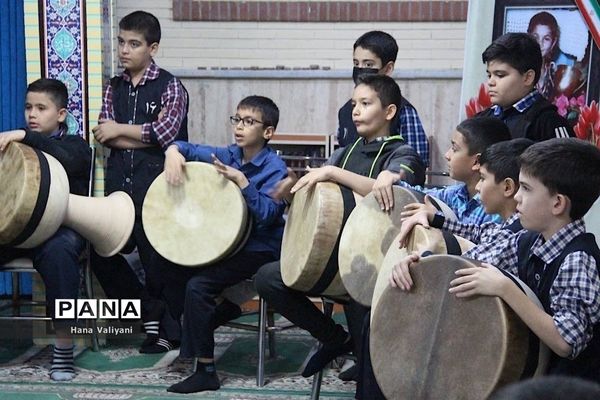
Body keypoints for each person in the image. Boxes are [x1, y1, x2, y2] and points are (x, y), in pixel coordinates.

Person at [255, 74, 425, 388]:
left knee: (363, 303)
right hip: (333, 259)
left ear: (389, 112)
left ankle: (368, 370)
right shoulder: (344, 152)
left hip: (375, 265)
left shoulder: (402, 152)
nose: (356, 111)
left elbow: (391, 185)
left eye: (365, 103)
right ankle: (335, 338)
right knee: (268, 277)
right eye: (353, 104)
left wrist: (334, 172)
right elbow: (323, 202)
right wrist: (294, 189)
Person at [393, 138, 600, 382]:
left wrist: (506, 289)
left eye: (526, 188)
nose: (518, 198)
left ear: (557, 203)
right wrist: (423, 264)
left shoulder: (578, 260)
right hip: (532, 377)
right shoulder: (528, 239)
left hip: (568, 388)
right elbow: (471, 261)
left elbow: (566, 341)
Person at [162, 95, 288, 393]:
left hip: (262, 249)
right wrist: (172, 150)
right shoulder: (228, 154)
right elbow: (189, 148)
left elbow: (269, 216)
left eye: (249, 121)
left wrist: (243, 182)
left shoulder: (275, 167)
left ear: (267, 132)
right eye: (237, 119)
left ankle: (205, 369)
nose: (240, 127)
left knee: (199, 285)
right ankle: (221, 314)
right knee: (172, 267)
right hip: (227, 244)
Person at [90, 10, 189, 352]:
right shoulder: (113, 86)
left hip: (159, 190)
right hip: (119, 192)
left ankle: (166, 331)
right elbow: (104, 134)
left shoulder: (170, 85)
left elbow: (168, 133)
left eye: (134, 44)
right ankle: (146, 314)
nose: (124, 50)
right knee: (101, 253)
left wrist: (121, 130)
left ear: (153, 48)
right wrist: (125, 133)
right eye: (121, 42)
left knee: (157, 260)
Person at [0, 78, 91, 381]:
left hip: (60, 230)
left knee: (60, 253)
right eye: (28, 108)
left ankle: (63, 350)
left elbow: (65, 160)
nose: (32, 114)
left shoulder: (76, 146)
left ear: (61, 114)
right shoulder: (14, 149)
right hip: (18, 230)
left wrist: (25, 136)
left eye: (41, 108)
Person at [372, 116, 511, 225]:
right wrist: (388, 176)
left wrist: (439, 220)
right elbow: (416, 194)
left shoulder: (494, 208)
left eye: (455, 149)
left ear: (476, 161)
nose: (447, 155)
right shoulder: (455, 194)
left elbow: (475, 250)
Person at [398, 138, 534, 247]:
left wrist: (420, 259)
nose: (478, 187)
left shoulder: (513, 236)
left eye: (482, 178)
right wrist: (435, 218)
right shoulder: (501, 227)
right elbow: (475, 232)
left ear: (507, 187)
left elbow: (475, 259)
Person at [337, 30, 429, 167]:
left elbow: (416, 164)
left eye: (368, 65)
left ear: (388, 68)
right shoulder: (345, 110)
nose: (360, 69)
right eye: (356, 64)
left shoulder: (403, 110)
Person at [477, 32, 574, 141]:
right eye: (489, 75)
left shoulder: (549, 124)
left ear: (528, 77)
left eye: (500, 75)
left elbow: (568, 157)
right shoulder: (480, 121)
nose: (490, 82)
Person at [527, 11, 577, 100]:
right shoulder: (520, 71)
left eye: (546, 39)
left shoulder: (555, 73)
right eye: (535, 37)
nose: (540, 43)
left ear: (553, 43)